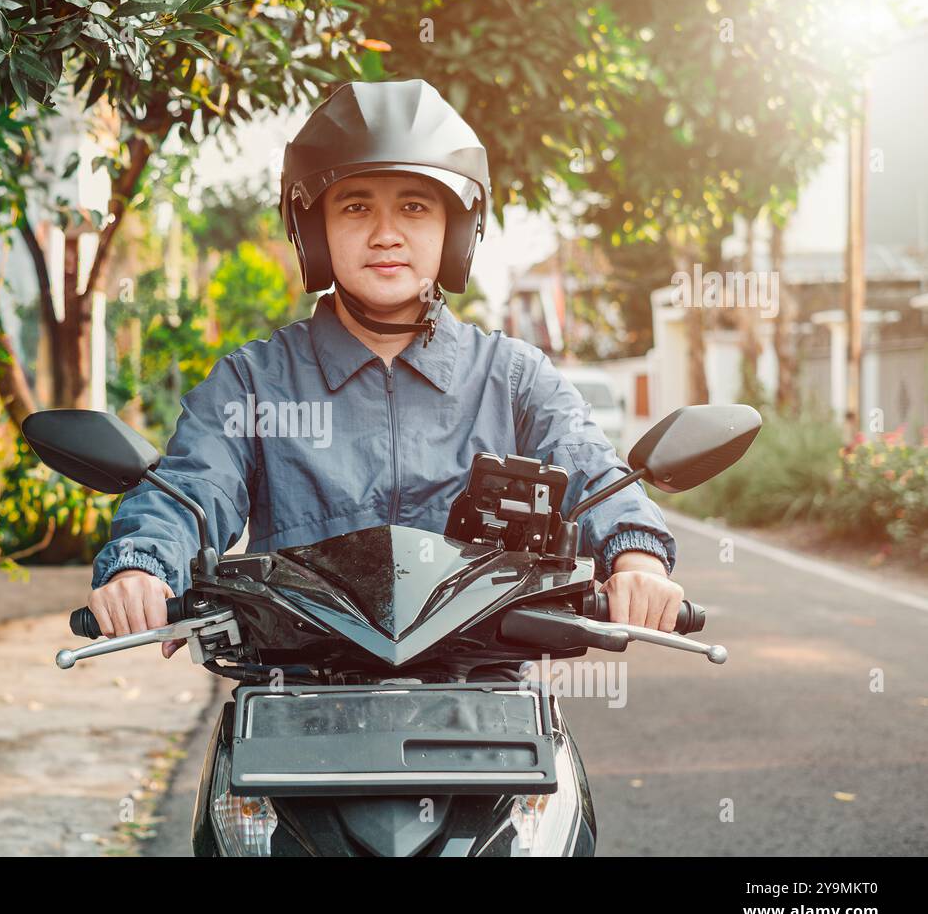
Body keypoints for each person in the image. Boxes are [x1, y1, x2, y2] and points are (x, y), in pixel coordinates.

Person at [86, 79, 682, 657]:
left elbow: (593, 472)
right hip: (292, 706)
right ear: (314, 233)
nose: (386, 234)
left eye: (415, 207)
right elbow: (193, 488)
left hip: (483, 704)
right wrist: (143, 568)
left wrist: (637, 562)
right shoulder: (254, 381)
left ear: (455, 233)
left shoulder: (515, 378)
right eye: (355, 206)